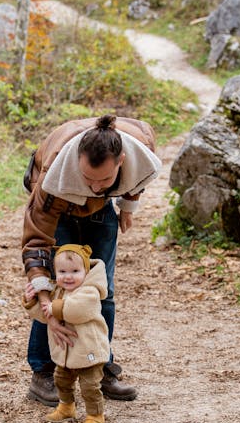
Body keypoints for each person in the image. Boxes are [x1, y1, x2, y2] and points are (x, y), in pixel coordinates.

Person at [22, 114, 161, 406]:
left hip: (101, 212)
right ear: (77, 164)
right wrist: (47, 302)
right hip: (59, 206)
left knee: (102, 289)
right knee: (60, 284)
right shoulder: (52, 176)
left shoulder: (140, 146)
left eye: (105, 179)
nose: (97, 187)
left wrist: (127, 205)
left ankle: (99, 365)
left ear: (121, 160)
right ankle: (43, 371)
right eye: (89, 179)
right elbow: (36, 241)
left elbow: (139, 174)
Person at [23, 244, 109, 423]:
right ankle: (66, 406)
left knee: (90, 386)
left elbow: (78, 311)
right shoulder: (57, 292)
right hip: (66, 352)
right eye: (62, 271)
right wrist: (32, 302)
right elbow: (45, 315)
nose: (68, 276)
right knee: (61, 380)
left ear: (86, 271)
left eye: (75, 271)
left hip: (89, 351)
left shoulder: (90, 292)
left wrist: (54, 308)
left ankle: (95, 416)